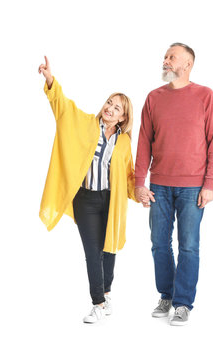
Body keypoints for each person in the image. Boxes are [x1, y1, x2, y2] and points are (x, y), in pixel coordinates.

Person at [38, 56, 138, 324]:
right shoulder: (83, 123)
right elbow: (62, 106)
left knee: (110, 250)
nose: (110, 108)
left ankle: (105, 293)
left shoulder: (125, 142)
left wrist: (139, 191)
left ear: (123, 117)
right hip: (86, 200)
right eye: (109, 102)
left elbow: (129, 175)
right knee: (92, 252)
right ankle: (98, 302)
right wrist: (50, 79)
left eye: (117, 107)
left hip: (111, 200)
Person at [134, 43, 213, 326]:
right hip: (158, 185)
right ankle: (166, 295)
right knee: (159, 244)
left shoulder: (205, 96)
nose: (166, 60)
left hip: (193, 187)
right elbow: (144, 143)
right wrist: (139, 182)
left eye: (172, 57)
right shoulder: (153, 98)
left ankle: (183, 303)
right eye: (166, 56)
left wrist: (209, 183)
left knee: (189, 246)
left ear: (187, 64)